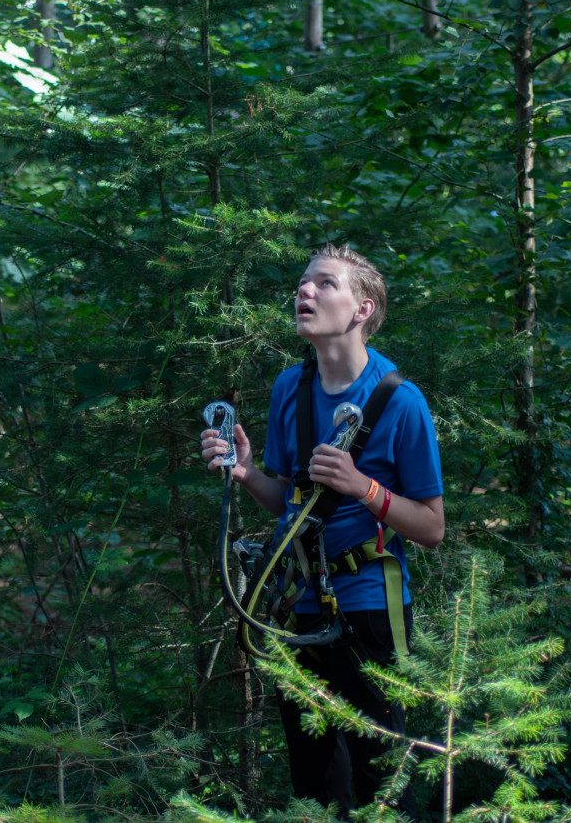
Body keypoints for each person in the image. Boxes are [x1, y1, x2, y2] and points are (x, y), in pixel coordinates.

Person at [201, 244, 444, 812]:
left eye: (324, 284)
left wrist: (366, 488)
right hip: (296, 606)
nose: (303, 291)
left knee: (381, 777)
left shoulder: (400, 402)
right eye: (302, 283)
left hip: (369, 607)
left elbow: (432, 527)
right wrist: (246, 473)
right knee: (312, 778)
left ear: (361, 308)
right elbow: (291, 505)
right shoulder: (293, 387)